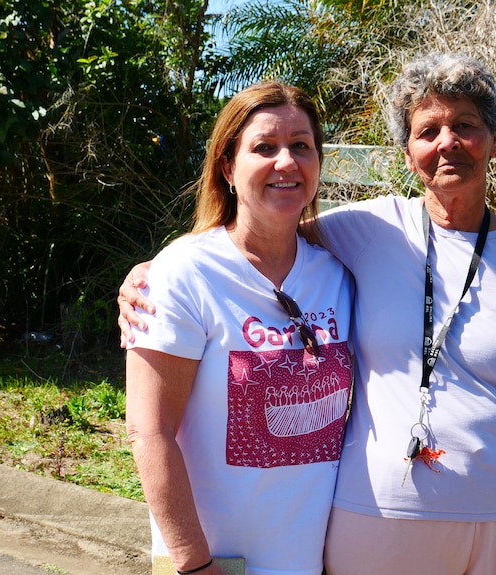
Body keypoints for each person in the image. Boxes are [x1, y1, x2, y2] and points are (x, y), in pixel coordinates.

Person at [120, 52, 496, 575]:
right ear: (408, 153)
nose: (447, 143)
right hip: (362, 528)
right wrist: (155, 272)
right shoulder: (367, 231)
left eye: (465, 125)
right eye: (428, 130)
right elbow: (253, 234)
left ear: (495, 140)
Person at [124, 81, 354, 575]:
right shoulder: (186, 272)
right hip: (218, 563)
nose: (286, 162)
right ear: (228, 167)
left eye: (301, 146)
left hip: (312, 559)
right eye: (264, 148)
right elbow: (149, 430)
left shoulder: (338, 274)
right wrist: (193, 563)